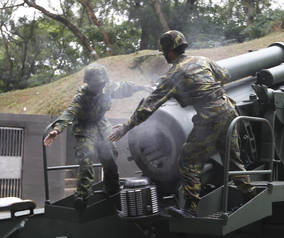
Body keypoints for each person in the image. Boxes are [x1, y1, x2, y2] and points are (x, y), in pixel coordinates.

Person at [109, 30, 255, 218]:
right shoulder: (203, 60)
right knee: (233, 159)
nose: (164, 56)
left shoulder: (174, 75)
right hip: (229, 111)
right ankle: (249, 197)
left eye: (164, 52)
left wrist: (125, 127)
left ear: (170, 52)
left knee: (187, 159)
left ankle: (190, 209)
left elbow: (148, 106)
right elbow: (224, 75)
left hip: (210, 117)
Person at [43, 64, 149, 211]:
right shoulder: (81, 97)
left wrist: (142, 87)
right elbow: (69, 112)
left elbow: (124, 87)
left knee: (110, 156)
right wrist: (57, 129)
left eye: (102, 83)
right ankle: (82, 196)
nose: (100, 86)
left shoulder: (107, 88)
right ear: (88, 82)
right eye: (96, 84)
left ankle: (112, 190)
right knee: (85, 159)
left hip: (101, 123)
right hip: (84, 127)